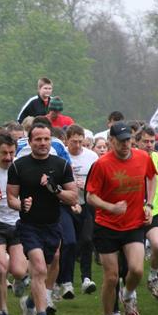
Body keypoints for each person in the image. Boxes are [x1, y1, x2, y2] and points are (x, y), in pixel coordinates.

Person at [86, 121, 157, 315]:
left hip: (133, 223)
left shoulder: (142, 157)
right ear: (111, 141)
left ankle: (127, 296)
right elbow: (90, 196)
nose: (126, 144)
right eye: (121, 141)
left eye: (128, 140)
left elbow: (152, 177)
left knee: (136, 270)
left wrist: (148, 204)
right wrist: (110, 207)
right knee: (111, 276)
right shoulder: (102, 164)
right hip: (106, 225)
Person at [6, 123, 77, 315]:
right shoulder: (19, 166)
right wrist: (21, 205)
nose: (43, 143)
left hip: (53, 225)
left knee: (49, 264)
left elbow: (73, 197)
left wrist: (54, 188)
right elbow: (11, 198)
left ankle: (29, 303)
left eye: (46, 139)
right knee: (38, 268)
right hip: (29, 226)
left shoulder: (61, 165)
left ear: (51, 140)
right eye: (38, 139)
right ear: (30, 142)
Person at [0, 134, 28, 315]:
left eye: (12, 152)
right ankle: (2, 311)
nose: (8, 157)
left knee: (19, 271)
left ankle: (20, 279)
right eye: (4, 153)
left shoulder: (20, 168)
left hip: (17, 223)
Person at [136, 126, 158, 299]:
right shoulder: (131, 159)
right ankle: (127, 290)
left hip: (154, 209)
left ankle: (154, 276)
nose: (149, 145)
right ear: (137, 142)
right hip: (133, 212)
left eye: (152, 141)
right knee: (135, 258)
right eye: (145, 142)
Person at [65, 125, 98, 294]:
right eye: (73, 142)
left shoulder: (91, 156)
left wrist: (86, 186)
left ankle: (87, 278)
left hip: (87, 203)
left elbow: (99, 181)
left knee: (87, 239)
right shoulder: (62, 155)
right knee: (69, 243)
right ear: (66, 140)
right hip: (67, 204)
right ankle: (66, 280)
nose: (77, 145)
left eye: (80, 142)